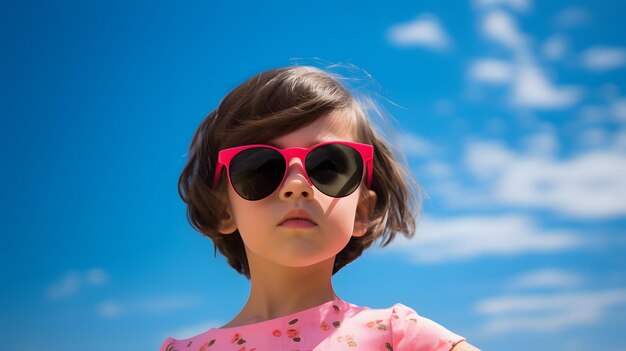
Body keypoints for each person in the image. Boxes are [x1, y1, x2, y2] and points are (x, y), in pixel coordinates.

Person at [160, 65, 480, 351]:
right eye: (261, 167)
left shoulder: (403, 338)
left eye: (329, 165)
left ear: (362, 211)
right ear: (223, 210)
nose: (296, 184)